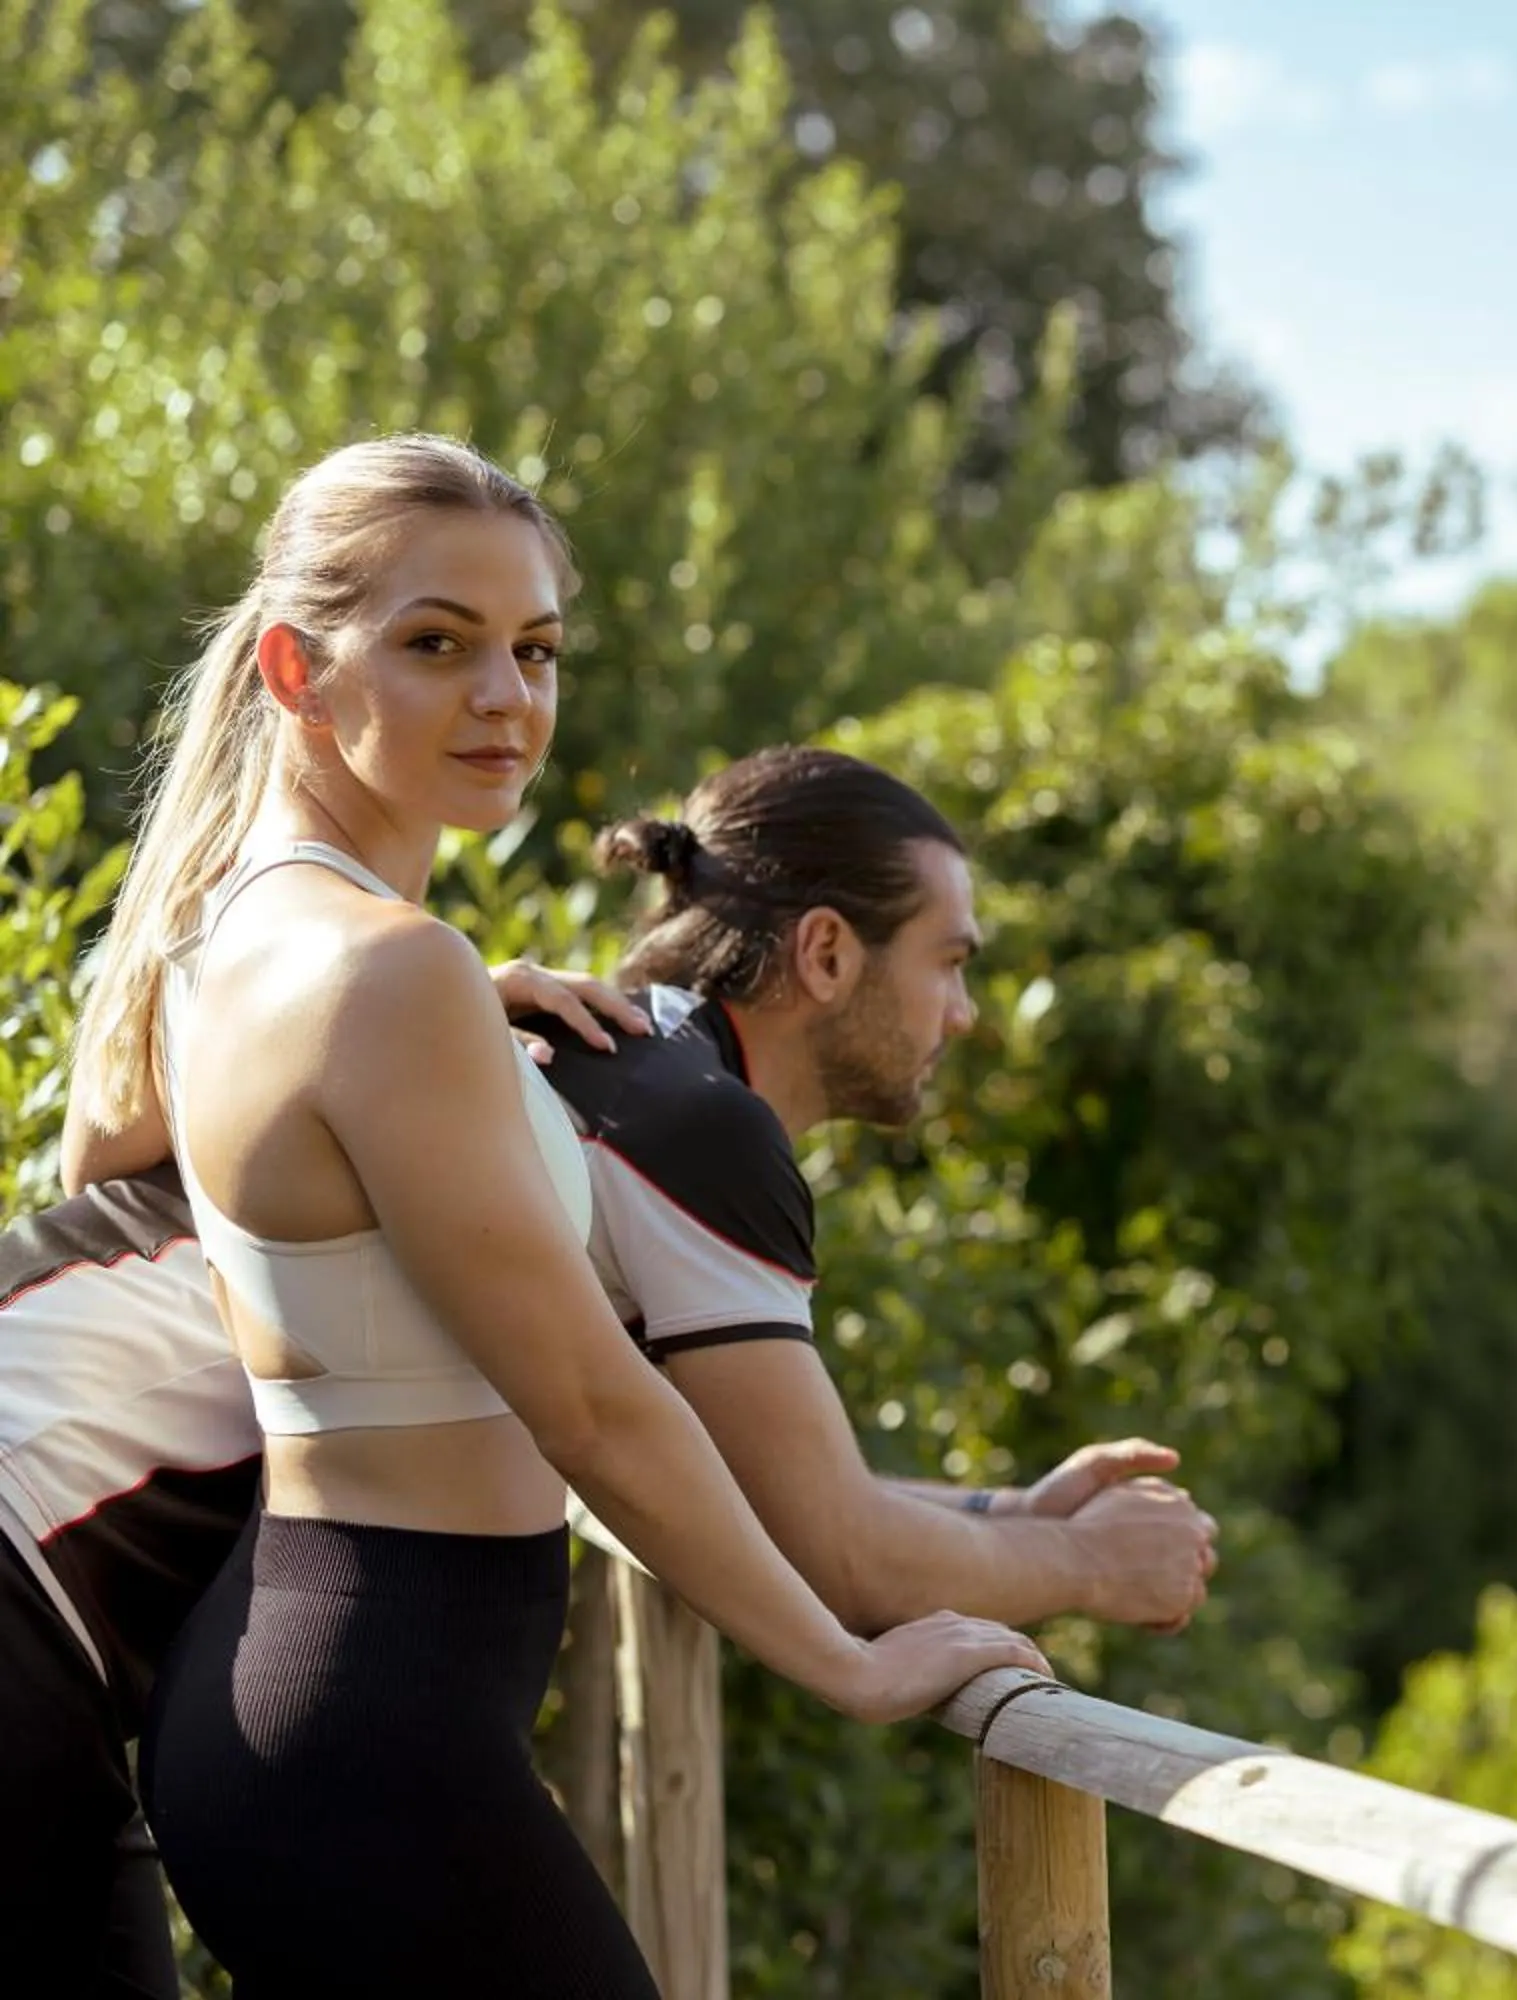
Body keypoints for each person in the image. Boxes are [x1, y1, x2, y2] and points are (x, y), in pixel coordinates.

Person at [53, 433, 1045, 1998]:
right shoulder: (389, 976)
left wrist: (463, 1025)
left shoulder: (230, 934)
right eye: (438, 645)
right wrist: (852, 1663)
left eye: (536, 650)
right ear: (298, 670)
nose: (506, 697)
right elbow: (595, 1405)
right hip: (373, 1726)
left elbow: (103, 1152)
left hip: (287, 1705)